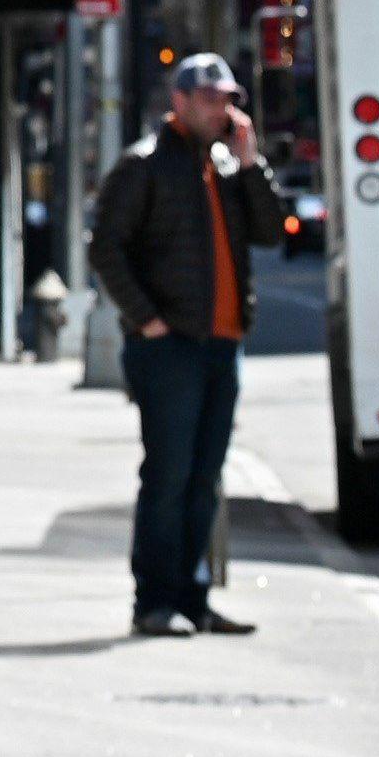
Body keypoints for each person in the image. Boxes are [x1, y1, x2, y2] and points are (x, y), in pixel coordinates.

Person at [89, 52, 281, 638]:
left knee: (206, 477)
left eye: (227, 100)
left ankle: (195, 598)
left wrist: (251, 164)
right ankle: (155, 601)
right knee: (169, 475)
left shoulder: (228, 165)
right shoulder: (144, 166)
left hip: (222, 343)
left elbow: (271, 232)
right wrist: (146, 320)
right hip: (169, 346)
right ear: (180, 101)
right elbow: (106, 249)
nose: (220, 109)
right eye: (209, 99)